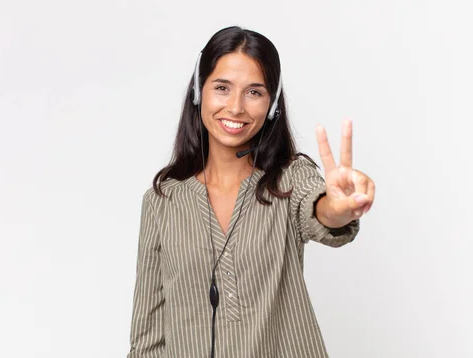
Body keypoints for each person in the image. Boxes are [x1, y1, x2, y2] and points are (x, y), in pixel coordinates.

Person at [127, 26, 376, 358]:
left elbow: (319, 210)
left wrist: (338, 207)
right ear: (199, 93)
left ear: (272, 105)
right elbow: (147, 340)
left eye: (254, 92)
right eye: (222, 88)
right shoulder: (163, 201)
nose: (235, 107)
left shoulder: (289, 178)